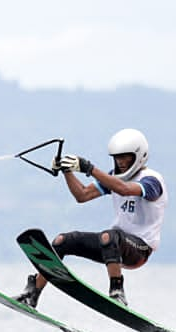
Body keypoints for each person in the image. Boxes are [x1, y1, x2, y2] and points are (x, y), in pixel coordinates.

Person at [15, 127, 167, 308]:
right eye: (117, 157)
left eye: (126, 157)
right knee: (61, 241)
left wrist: (89, 168)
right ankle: (33, 294)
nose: (121, 162)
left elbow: (124, 189)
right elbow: (82, 195)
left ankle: (117, 292)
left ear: (139, 155)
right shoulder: (113, 177)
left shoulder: (152, 180)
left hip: (139, 250)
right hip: (112, 247)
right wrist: (67, 170)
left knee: (109, 236)